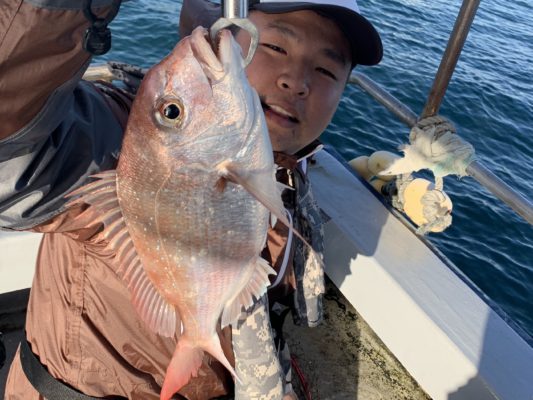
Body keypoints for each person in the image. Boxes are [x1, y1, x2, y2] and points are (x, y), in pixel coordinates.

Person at [0, 0, 382, 398]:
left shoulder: (288, 167)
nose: (296, 81)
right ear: (230, 32)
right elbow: (14, 159)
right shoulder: (119, 146)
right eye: (275, 47)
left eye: (326, 70)